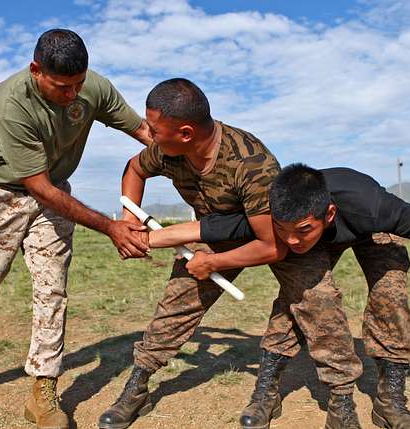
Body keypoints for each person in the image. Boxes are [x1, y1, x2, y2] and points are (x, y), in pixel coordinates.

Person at [0, 29, 152, 429]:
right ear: (36, 70)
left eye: (78, 84)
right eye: (62, 87)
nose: (73, 95)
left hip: (53, 194)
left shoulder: (92, 87)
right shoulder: (10, 103)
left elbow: (143, 131)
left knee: (52, 290)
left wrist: (184, 151)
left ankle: (43, 388)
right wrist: (110, 226)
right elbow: (36, 185)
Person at [158, 163, 410, 429]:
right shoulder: (276, 213)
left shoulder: (372, 206)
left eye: (301, 230)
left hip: (370, 230)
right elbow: (209, 227)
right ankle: (267, 393)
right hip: (321, 238)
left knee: (390, 293)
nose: (290, 240)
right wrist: (145, 239)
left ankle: (390, 401)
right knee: (300, 296)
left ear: (328, 214)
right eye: (282, 230)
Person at [97, 77, 290, 429]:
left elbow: (271, 244)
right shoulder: (168, 149)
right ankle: (138, 385)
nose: (149, 136)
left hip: (272, 235)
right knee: (176, 305)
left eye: (154, 130)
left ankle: (268, 389)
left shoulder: (252, 164)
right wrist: (130, 218)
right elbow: (134, 169)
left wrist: (214, 262)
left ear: (185, 133)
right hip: (213, 233)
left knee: (307, 299)